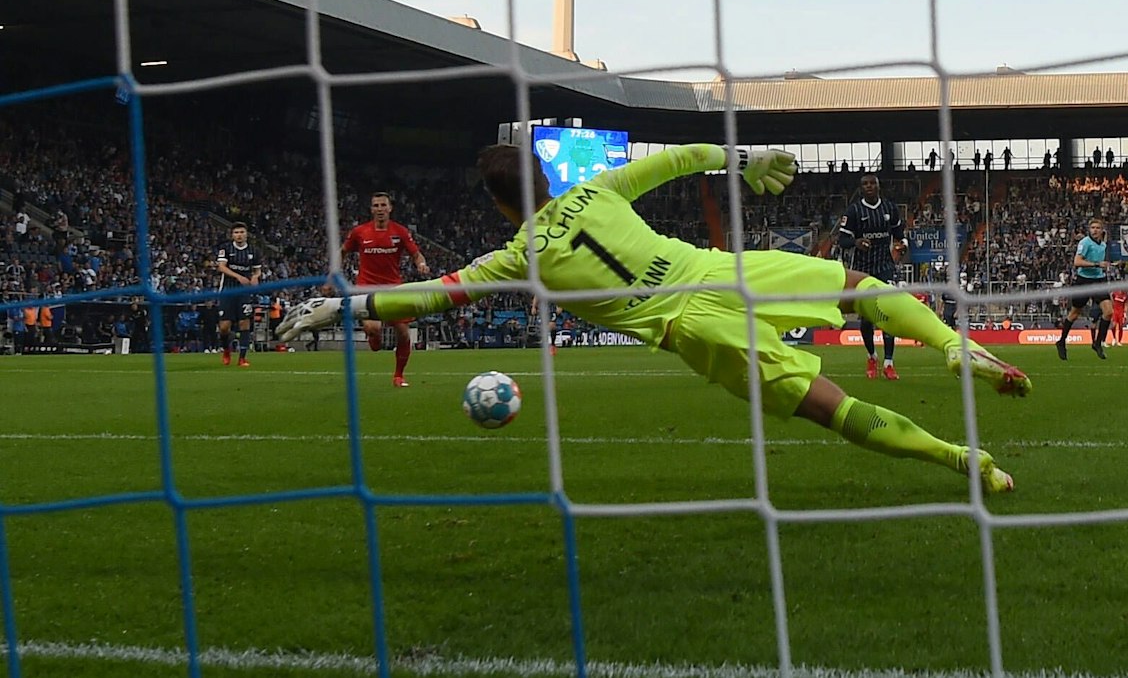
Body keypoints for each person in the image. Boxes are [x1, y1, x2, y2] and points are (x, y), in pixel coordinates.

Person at [282, 144, 1028, 493]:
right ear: (547, 177)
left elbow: (435, 295)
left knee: (828, 406)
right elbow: (681, 158)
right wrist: (746, 161)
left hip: (691, 326)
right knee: (856, 283)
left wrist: (343, 308)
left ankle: (964, 462)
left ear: (503, 205)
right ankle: (952, 343)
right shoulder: (601, 189)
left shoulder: (515, 255)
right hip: (719, 271)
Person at [341, 192, 431, 388]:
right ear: (371, 209)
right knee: (373, 329)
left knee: (403, 333)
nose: (380, 209)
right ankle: (374, 337)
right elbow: (343, 252)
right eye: (376, 205)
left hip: (393, 288)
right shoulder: (360, 232)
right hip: (366, 287)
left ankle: (398, 375)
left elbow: (416, 254)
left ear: (390, 208)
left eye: (383, 205)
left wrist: (421, 264)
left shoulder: (400, 232)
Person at [835, 173, 906, 380]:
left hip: (885, 266)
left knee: (887, 313)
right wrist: (856, 242)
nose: (869, 186)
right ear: (861, 188)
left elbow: (899, 233)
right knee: (867, 317)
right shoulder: (854, 210)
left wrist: (902, 244)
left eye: (872, 183)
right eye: (865, 184)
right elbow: (842, 240)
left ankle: (889, 363)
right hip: (862, 269)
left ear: (878, 186)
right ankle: (872, 356)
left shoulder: (889, 208)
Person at [1056, 219, 1114, 360]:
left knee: (1108, 312)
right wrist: (1096, 264)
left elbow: (1101, 263)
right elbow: (1077, 262)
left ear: (1102, 230)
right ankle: (1061, 341)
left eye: (1097, 228)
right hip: (1083, 281)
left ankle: (1098, 343)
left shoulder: (1103, 245)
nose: (1094, 230)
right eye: (1092, 227)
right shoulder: (1085, 243)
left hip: (1099, 280)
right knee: (1075, 313)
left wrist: (1104, 266)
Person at [213, 223, 262, 367]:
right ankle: (226, 350)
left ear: (246, 234)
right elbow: (221, 267)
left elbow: (257, 270)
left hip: (244, 292)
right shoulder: (226, 248)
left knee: (244, 323)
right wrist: (238, 276)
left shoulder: (254, 251)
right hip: (228, 291)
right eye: (236, 232)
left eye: (241, 232)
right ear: (232, 235)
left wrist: (255, 277)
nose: (239, 235)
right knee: (224, 327)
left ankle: (242, 358)